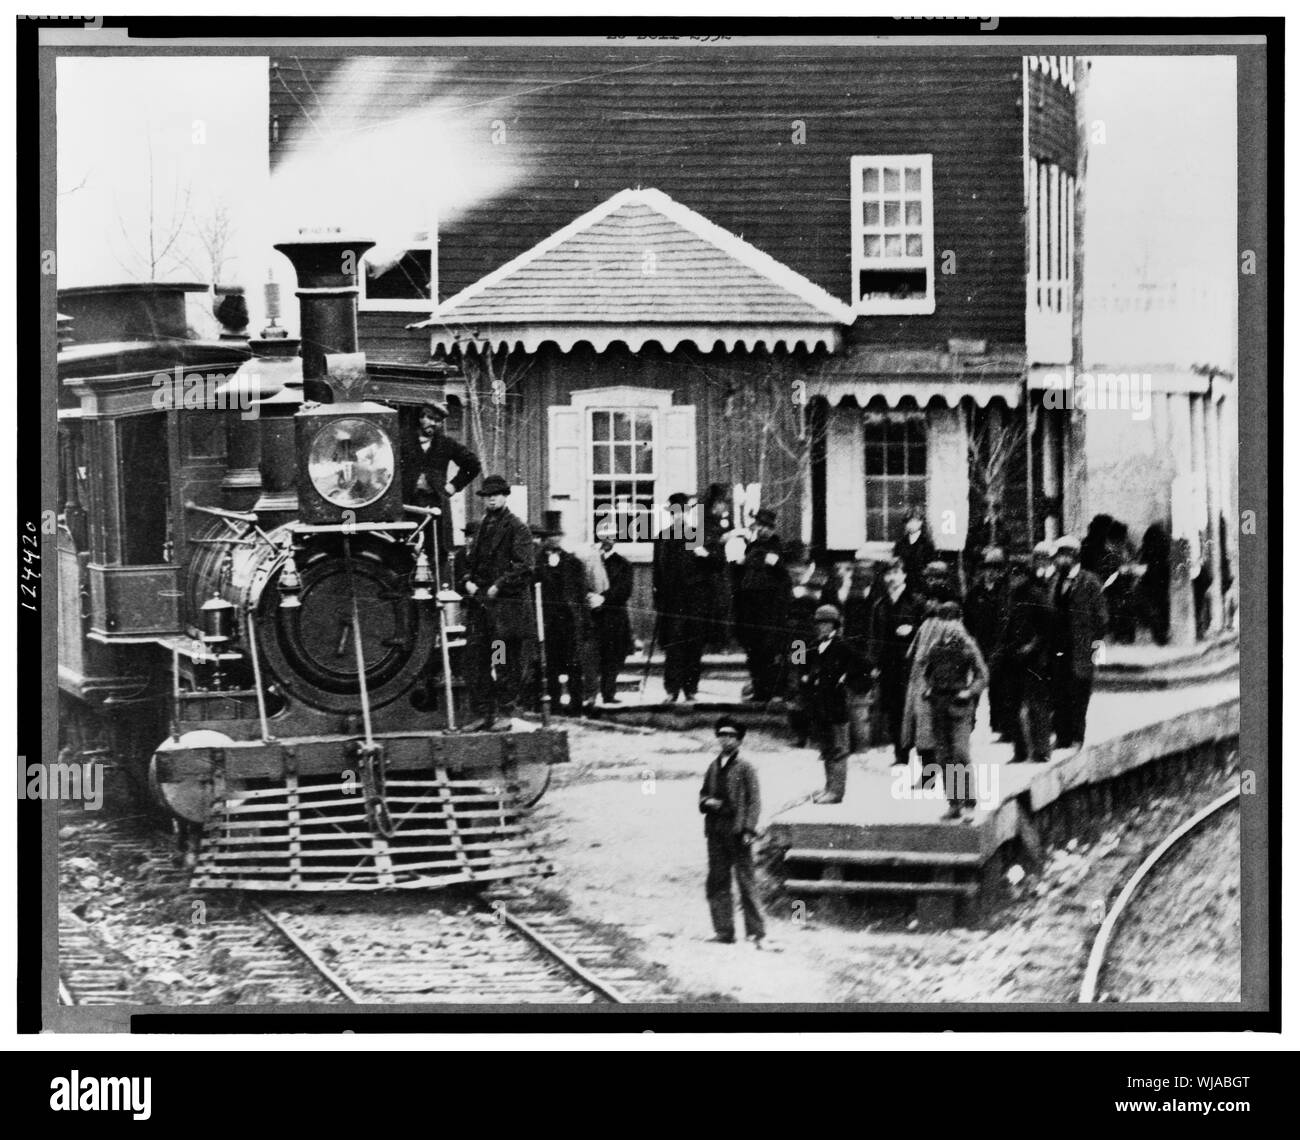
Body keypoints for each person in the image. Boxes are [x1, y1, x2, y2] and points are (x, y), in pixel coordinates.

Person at [458, 474, 536, 731]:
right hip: (481, 610)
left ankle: (505, 711)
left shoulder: (517, 528)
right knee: (476, 659)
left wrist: (498, 585)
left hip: (503, 613)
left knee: (501, 659)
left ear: (505, 496)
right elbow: (470, 562)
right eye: (488, 495)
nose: (492, 499)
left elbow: (524, 567)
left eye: (496, 494)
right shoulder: (481, 528)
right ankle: (483, 713)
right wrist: (468, 580)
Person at [914, 601, 988, 821]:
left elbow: (982, 675)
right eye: (944, 621)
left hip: (959, 705)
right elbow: (925, 669)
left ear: (960, 621)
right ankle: (954, 802)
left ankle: (969, 802)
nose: (948, 625)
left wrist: (969, 692)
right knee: (944, 756)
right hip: (938, 705)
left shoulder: (967, 645)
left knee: (961, 753)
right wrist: (928, 687)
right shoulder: (935, 646)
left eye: (952, 620)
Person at [698, 715, 765, 947]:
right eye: (722, 735)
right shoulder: (714, 766)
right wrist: (707, 803)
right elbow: (703, 793)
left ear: (739, 740)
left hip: (737, 831)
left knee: (746, 881)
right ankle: (723, 931)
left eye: (731, 736)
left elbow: (754, 802)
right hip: (715, 830)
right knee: (717, 881)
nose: (726, 740)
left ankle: (756, 932)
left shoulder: (746, 767)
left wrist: (748, 829)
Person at [798, 604, 866, 804]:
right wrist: (805, 678)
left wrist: (846, 681)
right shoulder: (810, 646)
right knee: (826, 749)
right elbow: (798, 665)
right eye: (819, 623)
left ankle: (836, 791)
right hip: (819, 707)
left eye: (827, 623)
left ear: (835, 625)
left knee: (839, 749)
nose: (823, 627)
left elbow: (865, 668)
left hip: (837, 707)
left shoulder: (843, 647)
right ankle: (828, 786)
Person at [403, 401, 482, 565]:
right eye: (430, 418)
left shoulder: (446, 444)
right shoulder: (404, 441)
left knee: (437, 550)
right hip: (408, 504)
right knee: (406, 547)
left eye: (438, 420)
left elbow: (473, 465)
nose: (433, 423)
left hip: (435, 505)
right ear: (421, 418)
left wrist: (453, 486)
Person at [1050, 534, 1108, 750]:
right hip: (1059, 649)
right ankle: (1062, 736)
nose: (1057, 561)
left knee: (1079, 695)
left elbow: (1102, 620)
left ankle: (1076, 737)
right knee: (1060, 693)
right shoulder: (1055, 581)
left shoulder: (1090, 582)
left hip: (1081, 649)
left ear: (1073, 556)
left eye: (1061, 556)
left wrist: (1093, 651)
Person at [1000, 545, 1056, 763]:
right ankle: (1020, 751)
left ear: (1025, 576)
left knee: (1037, 706)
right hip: (1013, 658)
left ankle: (1041, 751)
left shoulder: (1036, 595)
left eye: (1017, 575)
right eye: (1011, 576)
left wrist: (1033, 646)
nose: (1013, 580)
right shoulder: (1012, 597)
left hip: (1035, 660)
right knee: (1012, 706)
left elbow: (1048, 627)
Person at [534, 510, 592, 716]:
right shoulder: (535, 563)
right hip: (547, 623)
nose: (553, 539)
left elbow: (582, 594)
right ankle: (555, 706)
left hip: (569, 622)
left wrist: (585, 622)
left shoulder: (574, 562)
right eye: (549, 536)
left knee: (574, 665)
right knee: (551, 666)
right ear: (544, 539)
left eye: (557, 535)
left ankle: (577, 705)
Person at [653, 492, 708, 703]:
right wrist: (658, 600)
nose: (678, 516)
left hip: (693, 601)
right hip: (671, 601)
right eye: (674, 512)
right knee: (673, 646)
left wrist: (704, 554)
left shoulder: (695, 534)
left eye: (681, 511)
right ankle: (672, 690)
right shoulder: (662, 537)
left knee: (693, 645)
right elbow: (658, 571)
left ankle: (690, 688)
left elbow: (708, 567)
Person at [870, 558, 923, 766]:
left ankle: (923, 758)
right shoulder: (880, 605)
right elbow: (873, 636)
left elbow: (926, 630)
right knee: (892, 709)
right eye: (888, 574)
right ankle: (900, 755)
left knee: (912, 710)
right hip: (888, 665)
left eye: (896, 573)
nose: (892, 578)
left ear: (904, 575)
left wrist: (913, 631)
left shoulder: (915, 601)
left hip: (910, 665)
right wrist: (874, 664)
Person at [736, 508, 790, 703]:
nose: (764, 530)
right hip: (750, 610)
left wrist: (776, 564)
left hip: (771, 610)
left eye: (768, 527)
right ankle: (759, 692)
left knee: (771, 652)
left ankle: (775, 692)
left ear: (773, 529)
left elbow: (784, 580)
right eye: (761, 526)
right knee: (754, 652)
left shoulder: (778, 548)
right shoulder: (751, 548)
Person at [963, 546, 1014, 739]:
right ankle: (968, 723)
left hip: (1002, 646)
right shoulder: (975, 594)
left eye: (995, 568)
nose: (991, 572)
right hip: (980, 645)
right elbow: (968, 621)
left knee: (1002, 688)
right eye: (986, 568)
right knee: (976, 684)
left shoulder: (1007, 593)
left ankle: (1002, 727)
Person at [591, 519, 634, 705]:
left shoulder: (623, 564)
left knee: (613, 655)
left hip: (614, 617)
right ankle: (590, 695)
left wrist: (604, 598)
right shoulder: (591, 559)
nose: (608, 539)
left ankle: (608, 693)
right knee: (594, 655)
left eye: (612, 535)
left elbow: (624, 590)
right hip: (594, 616)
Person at [894, 510, 937, 584]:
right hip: (902, 582)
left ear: (920, 522)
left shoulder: (926, 544)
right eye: (907, 522)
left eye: (913, 521)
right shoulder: (900, 543)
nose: (910, 525)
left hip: (921, 582)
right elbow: (896, 563)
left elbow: (930, 566)